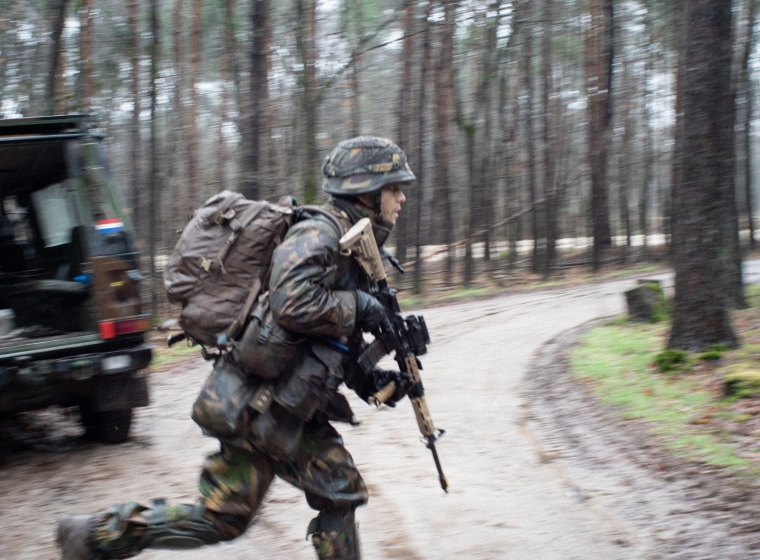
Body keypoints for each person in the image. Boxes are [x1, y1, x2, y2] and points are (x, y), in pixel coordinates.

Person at [56, 136, 415, 560]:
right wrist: (361, 305)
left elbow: (330, 341)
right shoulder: (319, 233)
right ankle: (93, 536)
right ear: (366, 191)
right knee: (273, 506)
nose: (402, 197)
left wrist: (371, 378)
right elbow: (291, 305)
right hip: (261, 406)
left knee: (275, 506)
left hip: (290, 408)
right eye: (394, 187)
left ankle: (92, 536)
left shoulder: (353, 248)